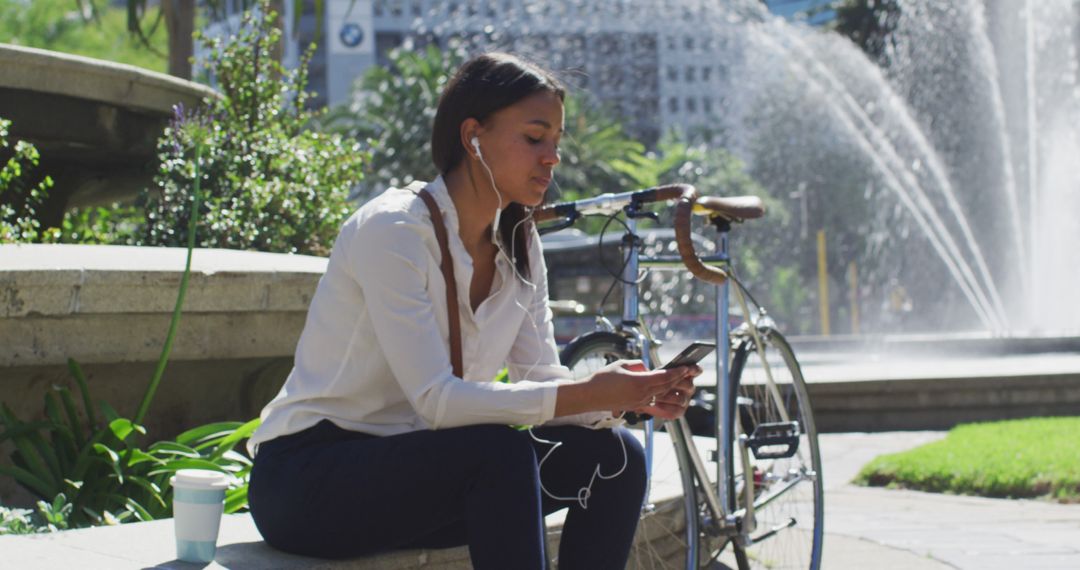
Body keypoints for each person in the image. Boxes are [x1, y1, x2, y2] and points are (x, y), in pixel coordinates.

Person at [246, 52, 701, 570]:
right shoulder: (394, 230)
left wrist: (627, 395)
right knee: (496, 454)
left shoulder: (520, 240)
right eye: (534, 138)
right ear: (473, 136)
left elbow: (540, 376)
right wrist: (592, 391)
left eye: (556, 141)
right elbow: (436, 400)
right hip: (312, 481)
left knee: (617, 457)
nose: (552, 158)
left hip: (429, 475)